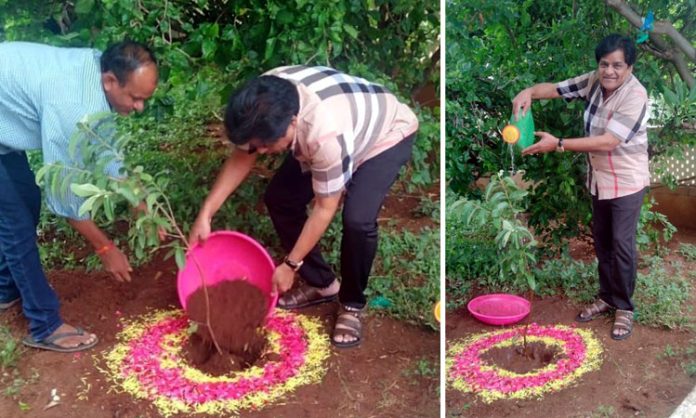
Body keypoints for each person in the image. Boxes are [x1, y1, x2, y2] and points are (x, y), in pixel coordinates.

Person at [189, 65, 418, 348]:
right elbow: (244, 153)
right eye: (255, 146)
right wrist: (206, 212)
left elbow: (325, 208)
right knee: (280, 198)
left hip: (385, 133)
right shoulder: (262, 98)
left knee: (358, 219)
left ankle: (351, 304)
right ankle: (323, 284)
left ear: (293, 122)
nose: (259, 153)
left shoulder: (323, 136)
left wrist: (290, 264)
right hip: (342, 123)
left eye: (265, 146)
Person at [0, 40, 158, 352]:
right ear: (110, 81)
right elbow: (65, 197)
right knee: (15, 220)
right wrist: (105, 247)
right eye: (135, 98)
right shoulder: (74, 107)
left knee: (26, 201)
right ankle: (45, 325)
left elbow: (107, 153)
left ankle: (5, 289)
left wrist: (143, 205)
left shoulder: (94, 74)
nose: (139, 107)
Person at [512, 34, 649, 340]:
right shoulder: (592, 82)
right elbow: (557, 89)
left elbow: (608, 141)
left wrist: (558, 144)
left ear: (629, 67)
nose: (609, 71)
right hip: (599, 180)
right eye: (604, 64)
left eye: (617, 65)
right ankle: (606, 296)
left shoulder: (635, 95)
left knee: (621, 245)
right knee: (602, 241)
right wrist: (529, 92)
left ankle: (624, 307)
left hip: (626, 181)